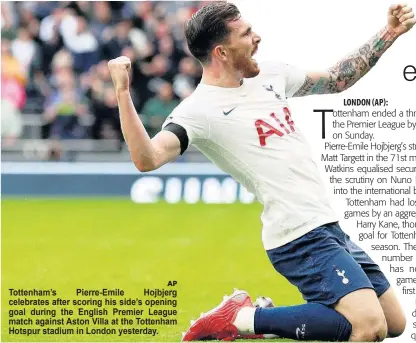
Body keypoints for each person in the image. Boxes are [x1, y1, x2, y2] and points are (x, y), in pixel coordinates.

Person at [108, 2, 414, 342]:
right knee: (369, 327)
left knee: (393, 322)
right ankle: (241, 319)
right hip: (297, 234)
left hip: (326, 224)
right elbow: (147, 158)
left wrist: (390, 33)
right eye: (246, 34)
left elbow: (338, 79)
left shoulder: (273, 75)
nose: (258, 38)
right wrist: (122, 92)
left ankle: (248, 319)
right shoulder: (197, 111)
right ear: (222, 52)